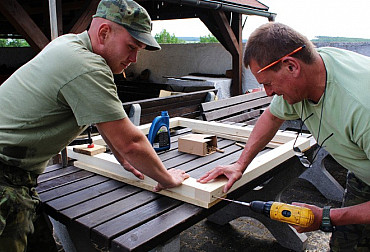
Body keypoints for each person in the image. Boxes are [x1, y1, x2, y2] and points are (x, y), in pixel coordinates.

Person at [0, 0, 189, 251]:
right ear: (103, 33)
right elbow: (131, 143)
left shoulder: (68, 44)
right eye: (131, 47)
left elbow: (102, 118)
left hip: (18, 176)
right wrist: (166, 178)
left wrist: (122, 157)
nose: (134, 59)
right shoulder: (86, 66)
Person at [198, 22, 370, 251]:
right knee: (344, 245)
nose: (268, 93)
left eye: (268, 83)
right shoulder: (310, 74)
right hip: (362, 172)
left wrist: (327, 217)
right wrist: (240, 165)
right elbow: (271, 116)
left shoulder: (361, 107)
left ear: (291, 66)